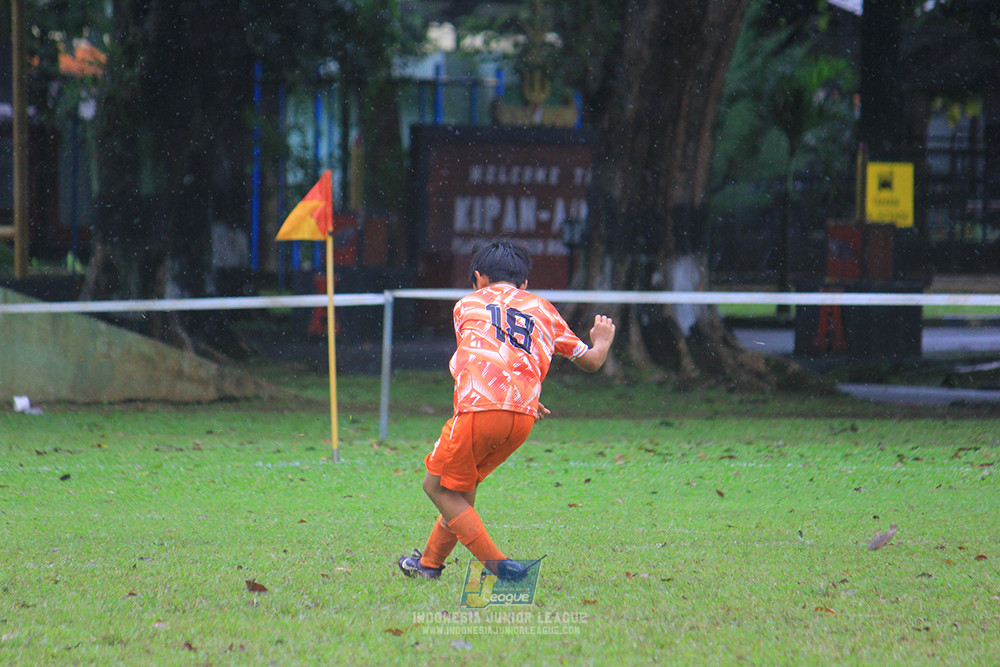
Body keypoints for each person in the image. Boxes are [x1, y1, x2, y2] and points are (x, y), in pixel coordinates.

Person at [398, 238, 616, 580]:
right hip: (523, 418)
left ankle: (500, 567)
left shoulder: (466, 305)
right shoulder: (544, 309)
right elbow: (590, 362)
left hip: (478, 409)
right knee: (461, 493)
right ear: (524, 284)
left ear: (478, 278)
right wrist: (601, 341)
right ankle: (428, 565)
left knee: (436, 487)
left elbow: (476, 355)